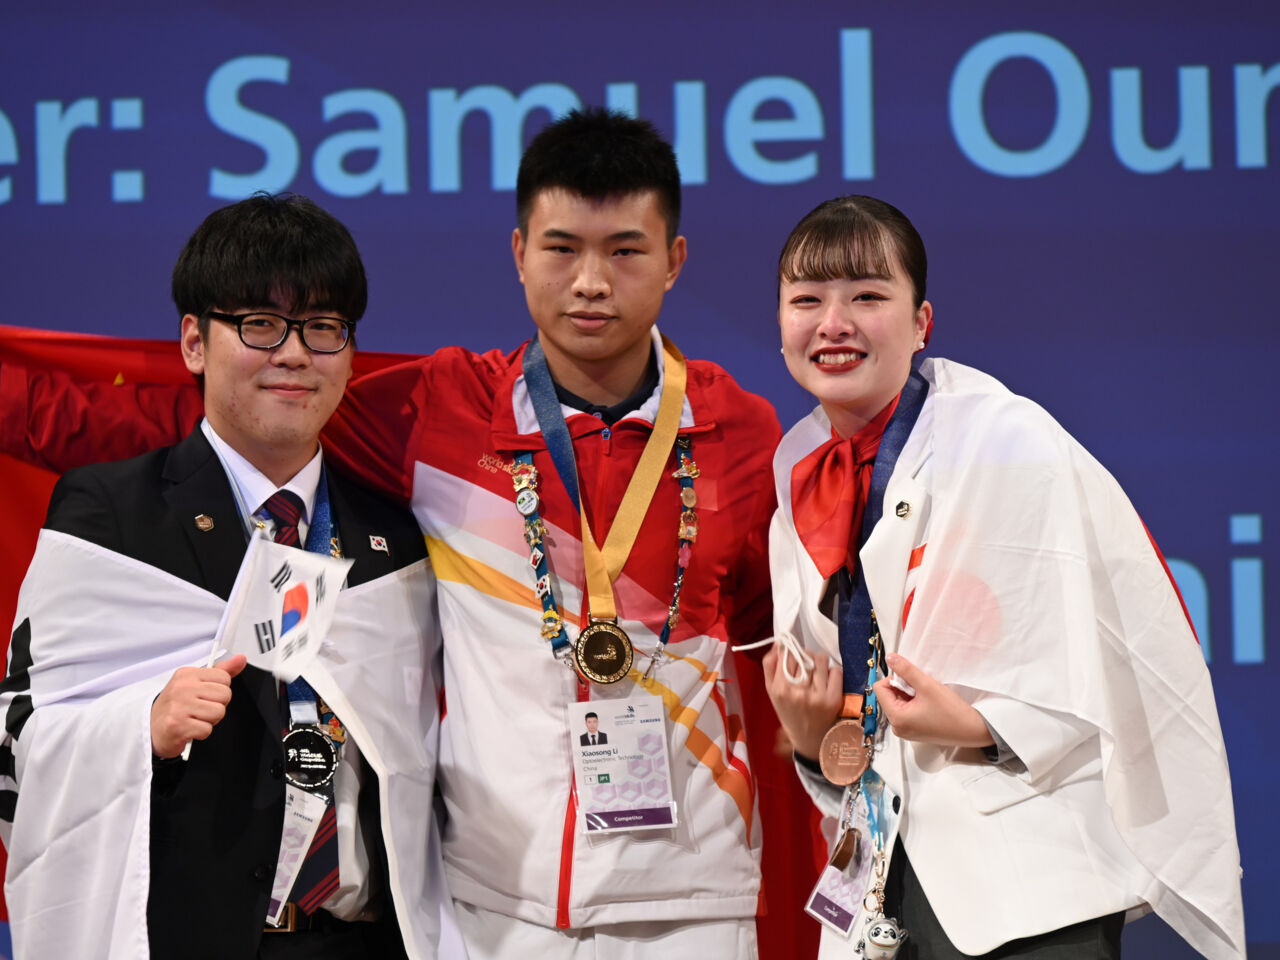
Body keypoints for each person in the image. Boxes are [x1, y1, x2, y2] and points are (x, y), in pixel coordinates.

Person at [0, 110, 805, 959]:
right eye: (563, 248)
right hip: (501, 902)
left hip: (693, 890)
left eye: (626, 250)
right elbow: (203, 414)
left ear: (676, 260)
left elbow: (769, 623)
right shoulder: (439, 412)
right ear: (519, 253)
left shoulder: (740, 432)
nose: (592, 282)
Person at [759, 195, 1246, 959]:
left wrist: (982, 730)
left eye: (867, 296)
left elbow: (1109, 646)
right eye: (807, 299)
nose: (834, 322)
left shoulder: (1005, 440)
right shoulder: (795, 464)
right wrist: (814, 740)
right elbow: (844, 689)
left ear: (922, 322)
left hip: (1028, 877)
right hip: (882, 879)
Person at [0, 194, 461, 959]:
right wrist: (141, 724)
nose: (294, 354)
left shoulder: (395, 540)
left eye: (323, 328)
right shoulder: (111, 514)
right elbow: (16, 738)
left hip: (366, 942)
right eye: (259, 324)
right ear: (193, 341)